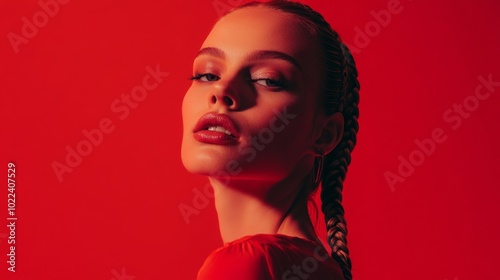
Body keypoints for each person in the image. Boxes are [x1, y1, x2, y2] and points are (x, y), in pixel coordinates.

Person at [181, 1, 360, 279]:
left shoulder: (250, 264)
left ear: (324, 133)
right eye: (207, 74)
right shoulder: (312, 265)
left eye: (267, 80)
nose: (221, 89)